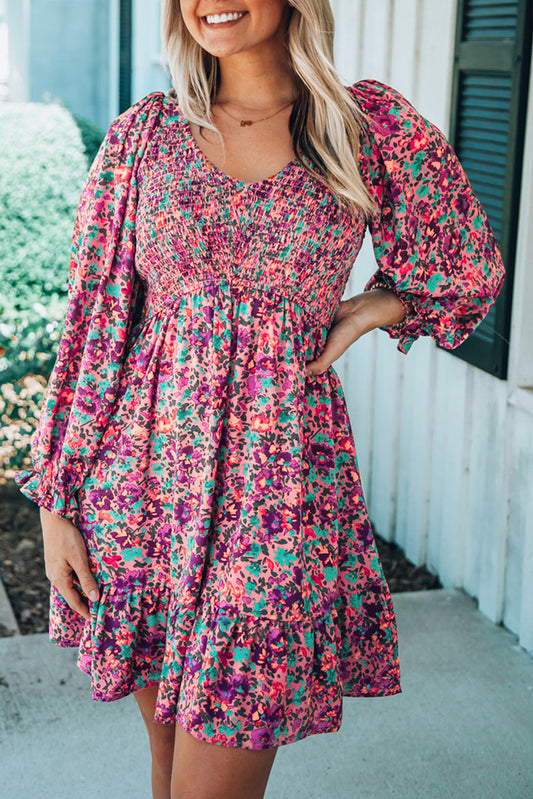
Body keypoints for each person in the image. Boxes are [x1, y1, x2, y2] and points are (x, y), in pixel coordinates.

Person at [14, 1, 505, 797]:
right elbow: (95, 326)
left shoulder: (363, 126)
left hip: (274, 501)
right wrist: (56, 503)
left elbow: (464, 266)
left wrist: (368, 308)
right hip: (140, 495)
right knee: (169, 772)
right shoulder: (143, 137)